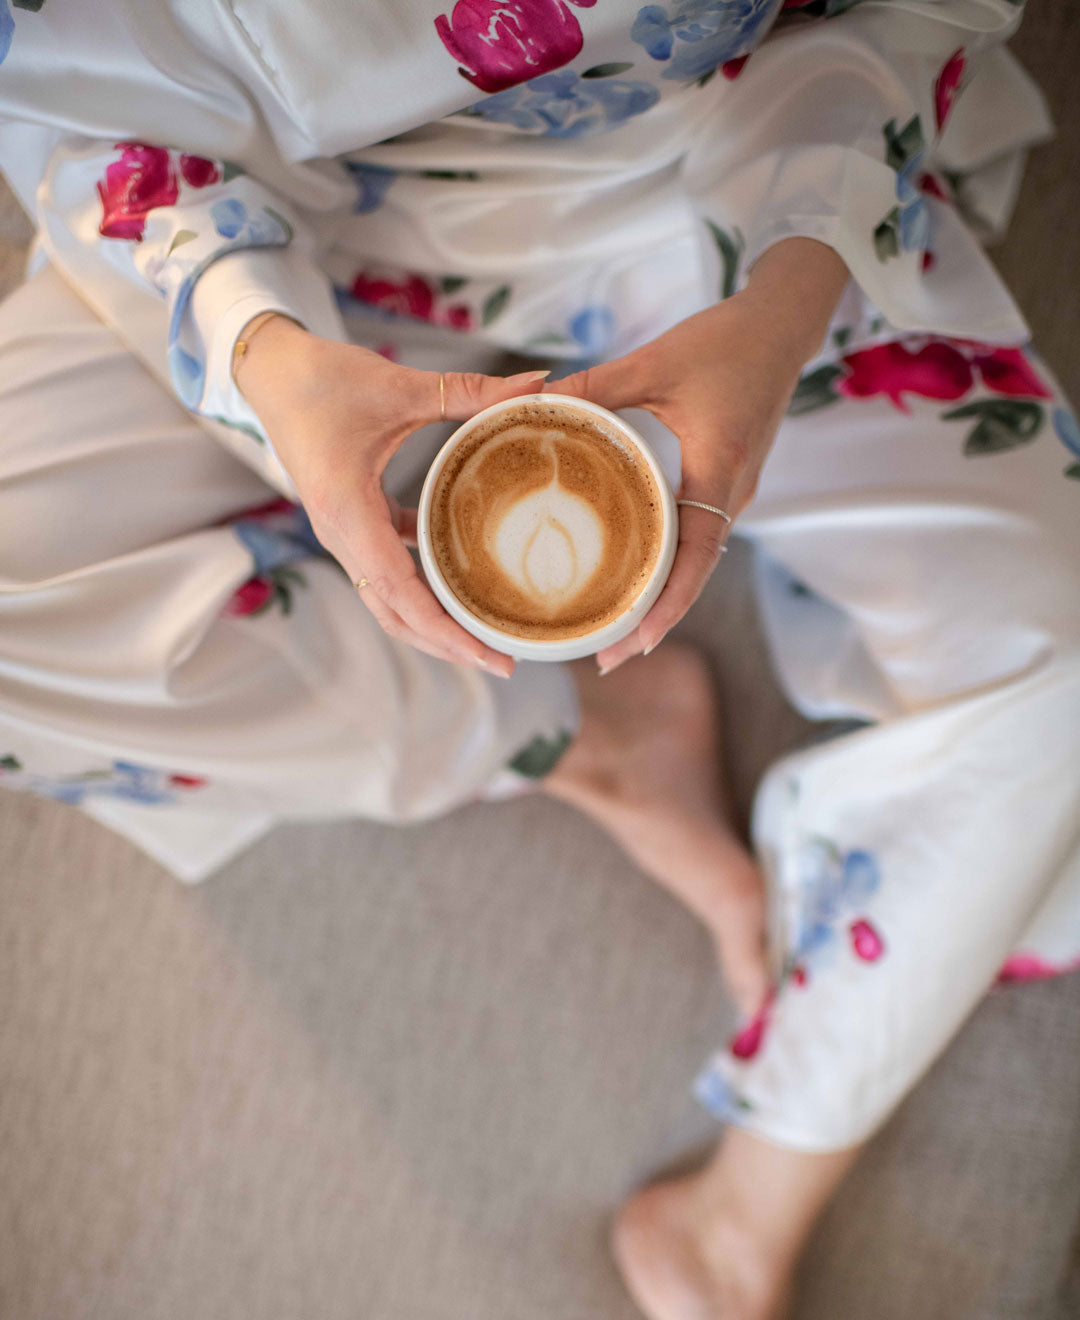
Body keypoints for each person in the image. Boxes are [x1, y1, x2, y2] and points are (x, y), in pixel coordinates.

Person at [1, 1, 1078, 1315]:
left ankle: (742, 1214)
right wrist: (259, 352)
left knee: (1065, 689)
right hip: (270, 229)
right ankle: (588, 736)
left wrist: (789, 299)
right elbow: (68, 77)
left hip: (720, 198)